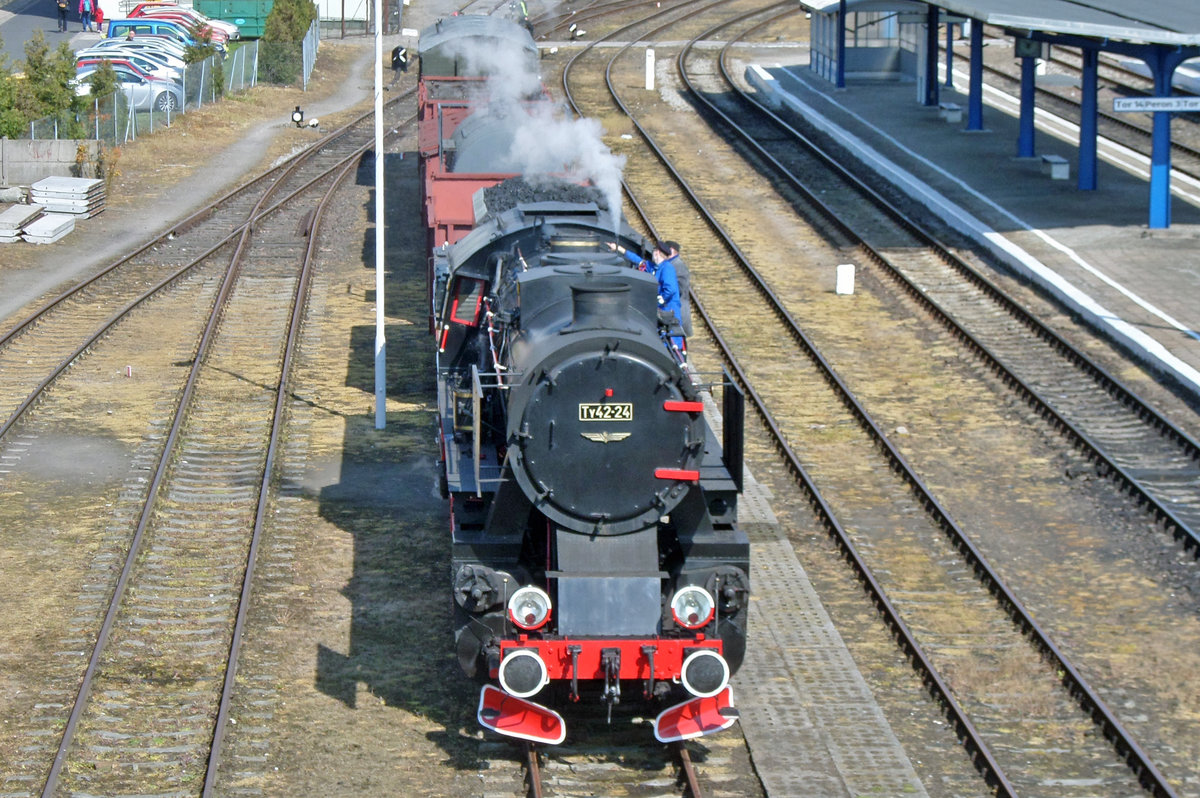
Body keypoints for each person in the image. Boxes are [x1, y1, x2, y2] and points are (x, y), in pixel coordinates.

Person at [607, 239, 685, 354]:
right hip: (658, 312)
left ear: (657, 253)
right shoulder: (654, 267)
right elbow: (639, 261)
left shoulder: (667, 268)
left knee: (672, 342)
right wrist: (619, 249)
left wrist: (658, 301)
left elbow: (670, 289)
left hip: (668, 311)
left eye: (653, 251)